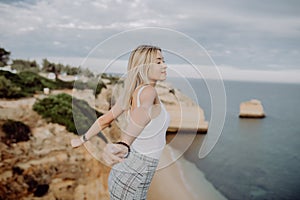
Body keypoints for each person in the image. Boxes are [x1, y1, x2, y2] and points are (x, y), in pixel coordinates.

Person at [71, 45, 170, 199]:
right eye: (158, 62)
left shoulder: (131, 93)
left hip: (124, 174)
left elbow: (105, 120)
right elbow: (142, 112)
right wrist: (124, 143)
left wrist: (82, 139)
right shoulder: (149, 92)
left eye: (163, 61)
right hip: (134, 179)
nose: (164, 65)